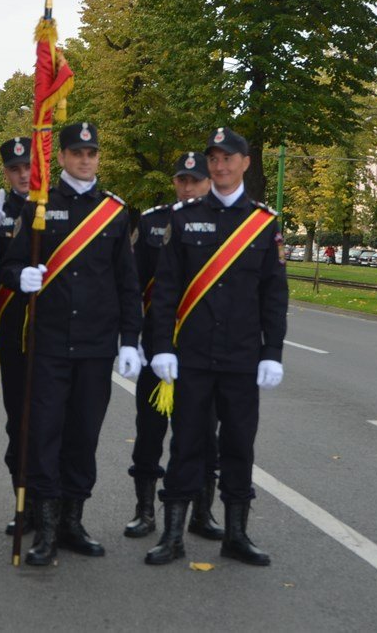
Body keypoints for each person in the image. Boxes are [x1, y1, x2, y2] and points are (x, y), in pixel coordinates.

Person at [0, 121, 142, 567]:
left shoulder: (115, 212)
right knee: (43, 435)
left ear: (98, 157)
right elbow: (8, 267)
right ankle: (45, 528)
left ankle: (72, 522)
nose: (84, 160)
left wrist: (130, 340)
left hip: (96, 347)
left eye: (91, 153)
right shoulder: (38, 206)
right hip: (47, 345)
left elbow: (127, 284)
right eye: (76, 153)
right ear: (60, 157)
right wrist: (20, 276)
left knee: (83, 436)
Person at [145, 126, 287, 567]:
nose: (220, 166)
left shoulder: (263, 222)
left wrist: (272, 352)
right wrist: (162, 346)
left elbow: (274, 295)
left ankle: (236, 535)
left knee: (239, 445)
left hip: (242, 357)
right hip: (193, 355)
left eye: (228, 158)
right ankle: (172, 535)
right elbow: (166, 289)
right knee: (186, 443)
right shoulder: (183, 218)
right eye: (214, 159)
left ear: (245, 163)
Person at [124, 152, 223, 543]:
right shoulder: (152, 222)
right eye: (182, 180)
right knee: (149, 431)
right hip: (157, 346)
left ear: (209, 183)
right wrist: (133, 339)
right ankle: (144, 510)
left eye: (195, 181)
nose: (188, 187)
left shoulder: (223, 223)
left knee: (204, 434)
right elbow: (132, 285)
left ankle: (202, 511)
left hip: (203, 348)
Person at [0, 136, 32, 534]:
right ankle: (23, 504)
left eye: (29, 166)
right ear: (6, 174)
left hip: (57, 334)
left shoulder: (58, 205)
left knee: (58, 424)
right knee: (20, 424)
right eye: (15, 169)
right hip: (16, 335)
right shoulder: (2, 213)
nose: (24, 175)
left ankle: (57, 509)